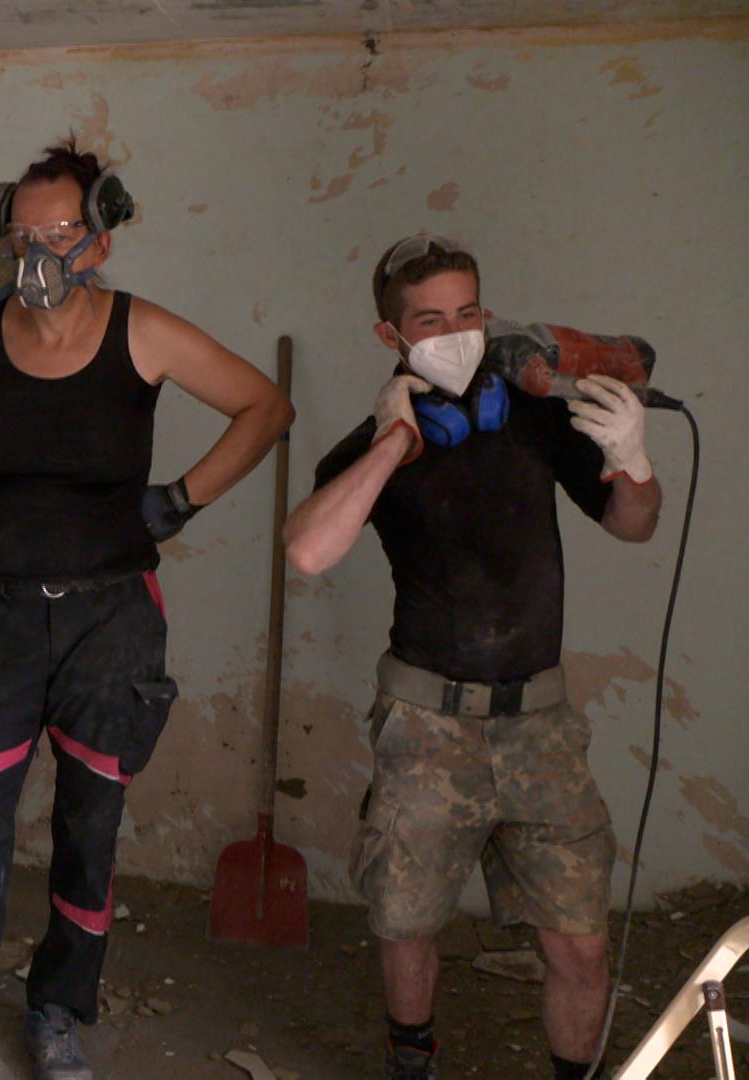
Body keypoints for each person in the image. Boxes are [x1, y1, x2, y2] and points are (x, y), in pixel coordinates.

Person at [0, 139, 294, 1080]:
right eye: (21, 232)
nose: (36, 250)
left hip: (112, 621)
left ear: (98, 240)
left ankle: (60, 1008)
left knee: (89, 828)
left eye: (57, 231)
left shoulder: (141, 333)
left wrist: (182, 498)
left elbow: (266, 408)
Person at [282, 233, 662, 1079]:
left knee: (582, 945)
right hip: (426, 728)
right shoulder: (366, 452)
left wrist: (633, 463)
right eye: (430, 319)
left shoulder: (535, 419)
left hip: (542, 726)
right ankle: (412, 1059)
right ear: (393, 338)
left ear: (486, 315)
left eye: (468, 313)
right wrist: (392, 441)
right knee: (407, 925)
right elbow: (307, 551)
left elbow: (636, 525)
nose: (456, 331)